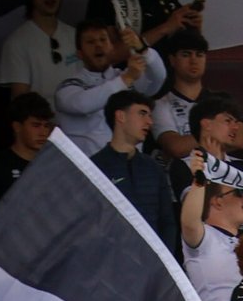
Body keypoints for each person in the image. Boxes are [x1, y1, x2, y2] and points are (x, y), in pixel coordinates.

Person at [54, 22, 166, 154]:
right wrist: (126, 79)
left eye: (103, 40)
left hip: (128, 167)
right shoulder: (68, 86)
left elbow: (157, 79)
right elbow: (82, 105)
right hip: (86, 170)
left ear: (112, 47)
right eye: (90, 42)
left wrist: (142, 49)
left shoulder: (126, 76)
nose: (98, 45)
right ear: (79, 53)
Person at [90, 91, 175, 247]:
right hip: (110, 264)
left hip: (152, 264)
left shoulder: (153, 168)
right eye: (142, 114)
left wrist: (165, 259)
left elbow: (167, 221)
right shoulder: (94, 167)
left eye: (150, 115)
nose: (149, 122)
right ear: (120, 116)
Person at [180, 158, 243, 301]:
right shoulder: (205, 238)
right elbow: (189, 223)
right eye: (238, 192)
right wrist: (199, 181)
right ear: (217, 201)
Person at [0, 93, 54, 232]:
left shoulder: (51, 165)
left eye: (46, 126)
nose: (43, 132)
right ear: (17, 126)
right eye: (36, 125)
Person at [0, 0, 77, 101]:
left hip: (79, 116)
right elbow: (20, 97)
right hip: (44, 117)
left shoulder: (75, 35)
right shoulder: (17, 41)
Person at [150, 28, 209, 161]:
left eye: (199, 54)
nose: (193, 60)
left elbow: (238, 139)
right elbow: (176, 147)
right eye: (186, 54)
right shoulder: (160, 105)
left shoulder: (220, 101)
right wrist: (218, 134)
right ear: (172, 60)